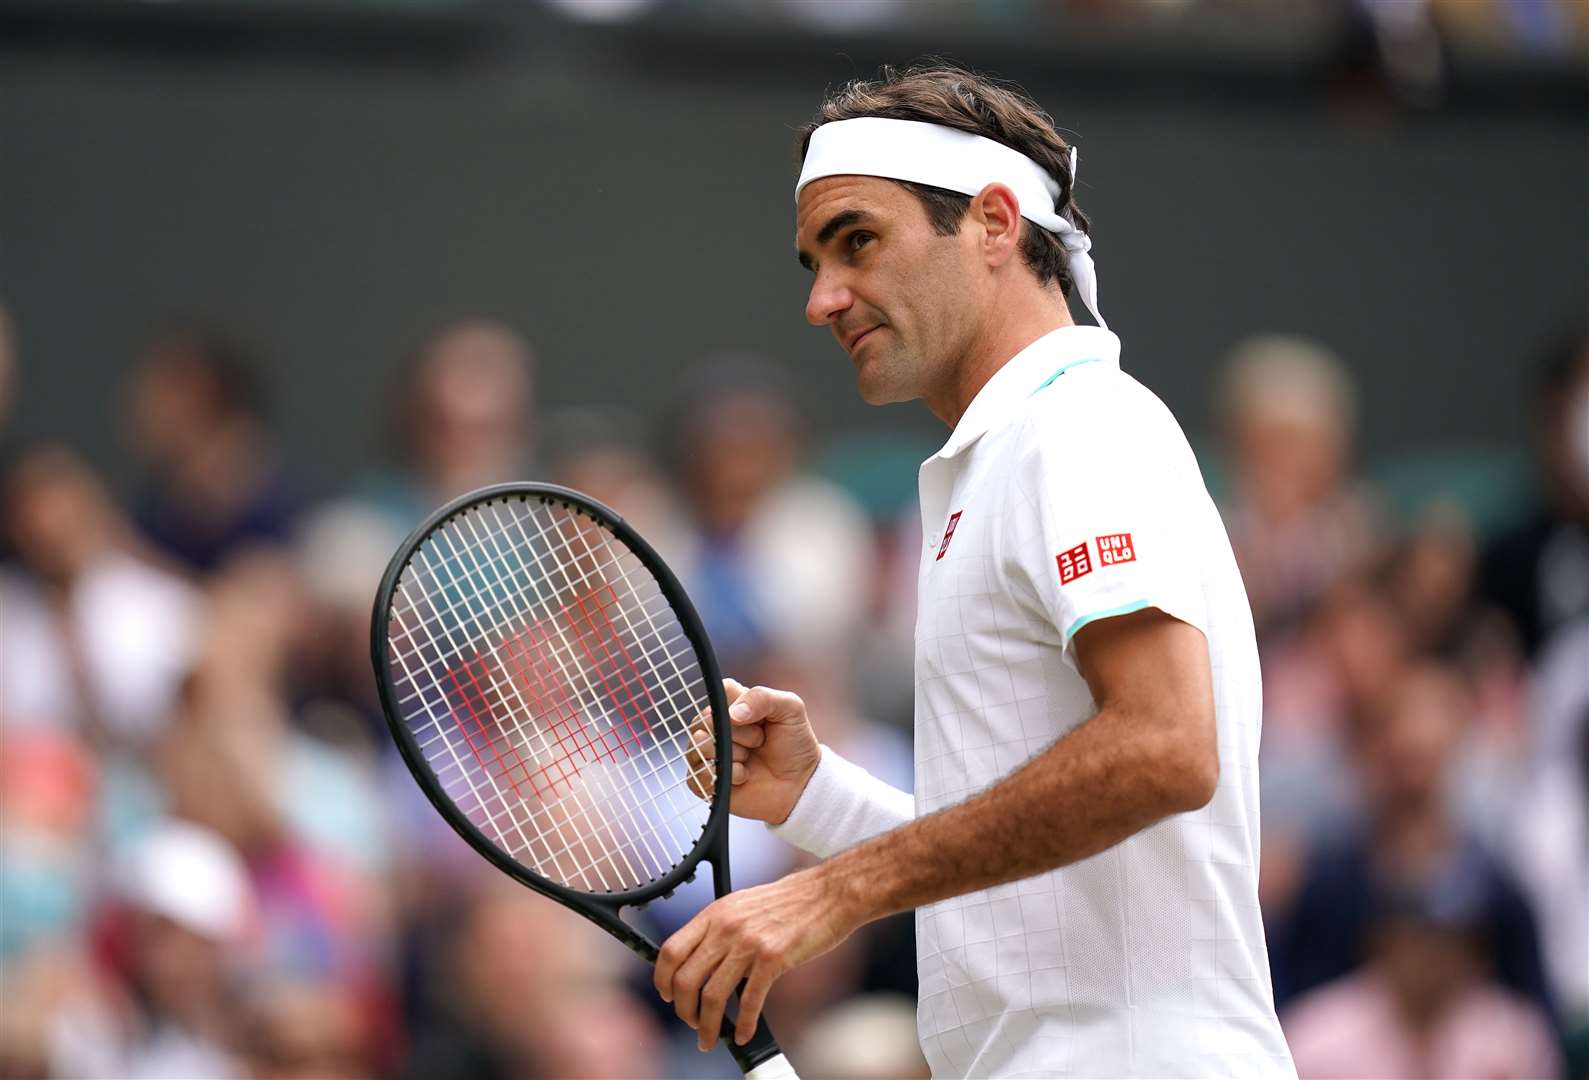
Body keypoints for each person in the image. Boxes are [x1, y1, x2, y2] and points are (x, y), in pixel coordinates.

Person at [654, 64, 1296, 1077]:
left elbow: (1165, 747)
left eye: (857, 240)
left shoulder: (1079, 427)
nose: (822, 299)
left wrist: (831, 891)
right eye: (812, 261)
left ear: (994, 224)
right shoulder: (999, 462)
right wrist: (818, 799)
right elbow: (1031, 881)